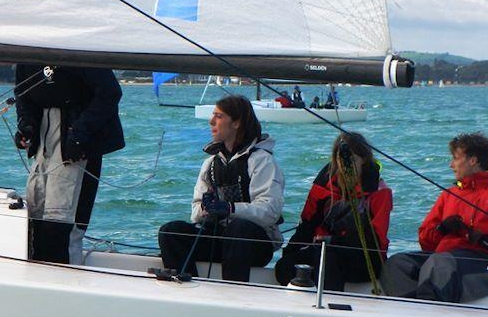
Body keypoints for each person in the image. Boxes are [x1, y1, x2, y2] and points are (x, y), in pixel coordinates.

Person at [381, 132, 488, 303]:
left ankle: (427, 316)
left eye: (455, 158)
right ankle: (406, 311)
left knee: (440, 263)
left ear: (473, 160)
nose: (451, 165)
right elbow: (426, 241)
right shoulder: (450, 194)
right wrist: (442, 229)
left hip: (487, 265)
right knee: (398, 263)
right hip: (445, 261)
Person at [158, 95, 284, 282]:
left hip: (254, 243)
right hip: (219, 238)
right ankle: (187, 288)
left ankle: (232, 292)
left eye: (218, 116)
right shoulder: (210, 164)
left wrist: (230, 209)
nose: (211, 121)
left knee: (238, 228)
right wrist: (205, 209)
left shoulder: (262, 160)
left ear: (236, 123)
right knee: (170, 232)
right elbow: (195, 212)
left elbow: (270, 211)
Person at [14, 64, 124, 264]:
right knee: (35, 214)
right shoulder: (27, 56)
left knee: (61, 222)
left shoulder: (83, 51)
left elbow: (110, 93)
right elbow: (23, 94)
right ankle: (38, 276)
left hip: (77, 144)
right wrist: (26, 125)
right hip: (43, 142)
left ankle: (64, 279)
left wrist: (80, 134)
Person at [275, 132, 392, 292]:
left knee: (328, 257)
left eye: (352, 160)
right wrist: (290, 252)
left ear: (363, 160)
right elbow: (308, 224)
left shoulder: (379, 192)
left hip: (364, 257)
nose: (346, 166)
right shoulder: (324, 185)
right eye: (341, 160)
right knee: (284, 266)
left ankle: (330, 307)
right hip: (323, 250)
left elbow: (375, 239)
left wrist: (333, 241)